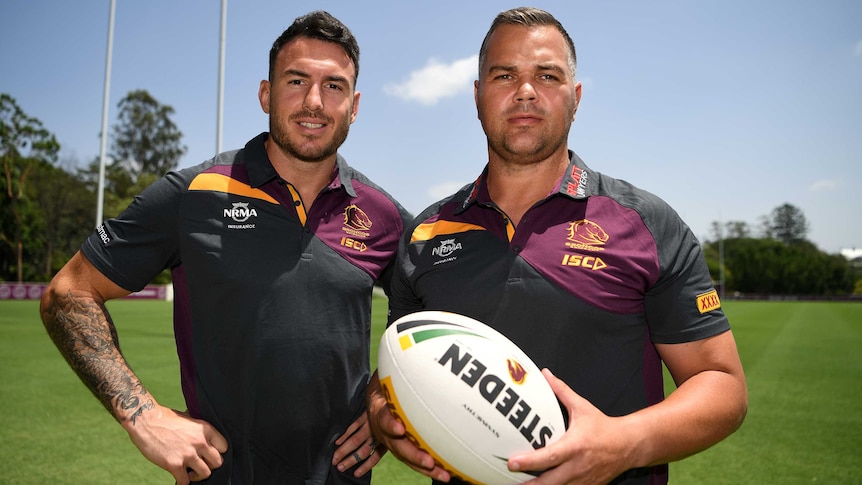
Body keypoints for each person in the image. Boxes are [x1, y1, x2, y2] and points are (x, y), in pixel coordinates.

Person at [366, 6, 748, 485]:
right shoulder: (424, 236)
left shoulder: (647, 224)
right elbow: (397, 369)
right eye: (504, 75)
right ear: (478, 95)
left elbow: (723, 386)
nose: (525, 91)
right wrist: (384, 414)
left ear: (576, 96)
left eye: (547, 75)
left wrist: (623, 443)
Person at [40, 10, 409, 485]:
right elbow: (68, 292)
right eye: (296, 81)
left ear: (354, 106)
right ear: (265, 93)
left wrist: (386, 400)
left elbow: (428, 312)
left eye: (334, 86)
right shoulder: (194, 193)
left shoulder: (385, 216)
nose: (314, 101)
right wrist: (144, 415)